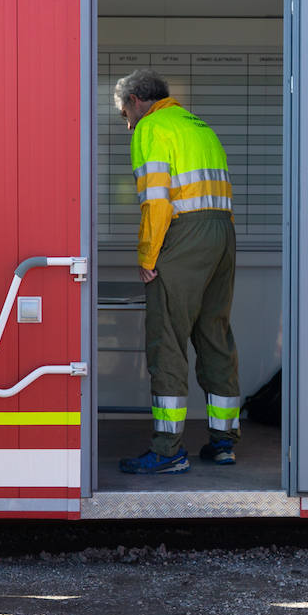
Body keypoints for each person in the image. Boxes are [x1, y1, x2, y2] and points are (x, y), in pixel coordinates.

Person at [114, 70, 241, 475]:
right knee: (215, 336)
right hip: (222, 233)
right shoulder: (199, 126)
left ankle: (168, 450)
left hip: (183, 235)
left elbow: (156, 201)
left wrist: (148, 256)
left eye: (123, 112)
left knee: (167, 341)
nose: (126, 122)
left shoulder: (151, 128)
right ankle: (224, 442)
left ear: (136, 100)